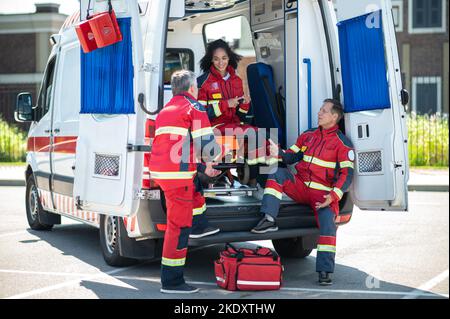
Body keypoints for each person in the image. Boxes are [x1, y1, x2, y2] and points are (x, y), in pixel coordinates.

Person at [251, 99, 355, 286]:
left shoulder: (343, 144)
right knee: (276, 172)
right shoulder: (308, 135)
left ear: (334, 117)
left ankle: (324, 270)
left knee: (328, 227)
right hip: (300, 187)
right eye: (320, 110)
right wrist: (279, 153)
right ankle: (268, 219)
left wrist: (333, 196)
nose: (319, 113)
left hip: (323, 196)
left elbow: (347, 175)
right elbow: (292, 156)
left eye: (324, 111)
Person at [148, 70, 223, 294]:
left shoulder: (165, 110)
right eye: (197, 88)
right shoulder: (194, 107)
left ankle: (199, 226)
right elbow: (207, 144)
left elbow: (177, 146)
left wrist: (200, 167)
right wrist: (214, 161)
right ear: (192, 89)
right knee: (178, 227)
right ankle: (172, 281)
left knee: (196, 187)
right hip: (177, 176)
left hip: (163, 172)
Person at [197, 39, 268, 186]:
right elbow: (201, 114)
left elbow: (241, 115)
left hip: (234, 124)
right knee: (247, 133)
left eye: (224, 58)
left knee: (258, 134)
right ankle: (219, 175)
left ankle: (256, 181)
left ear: (229, 58)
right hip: (213, 127)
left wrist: (245, 105)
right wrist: (226, 104)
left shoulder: (236, 80)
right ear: (211, 59)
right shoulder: (203, 82)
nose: (220, 63)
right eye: (216, 59)